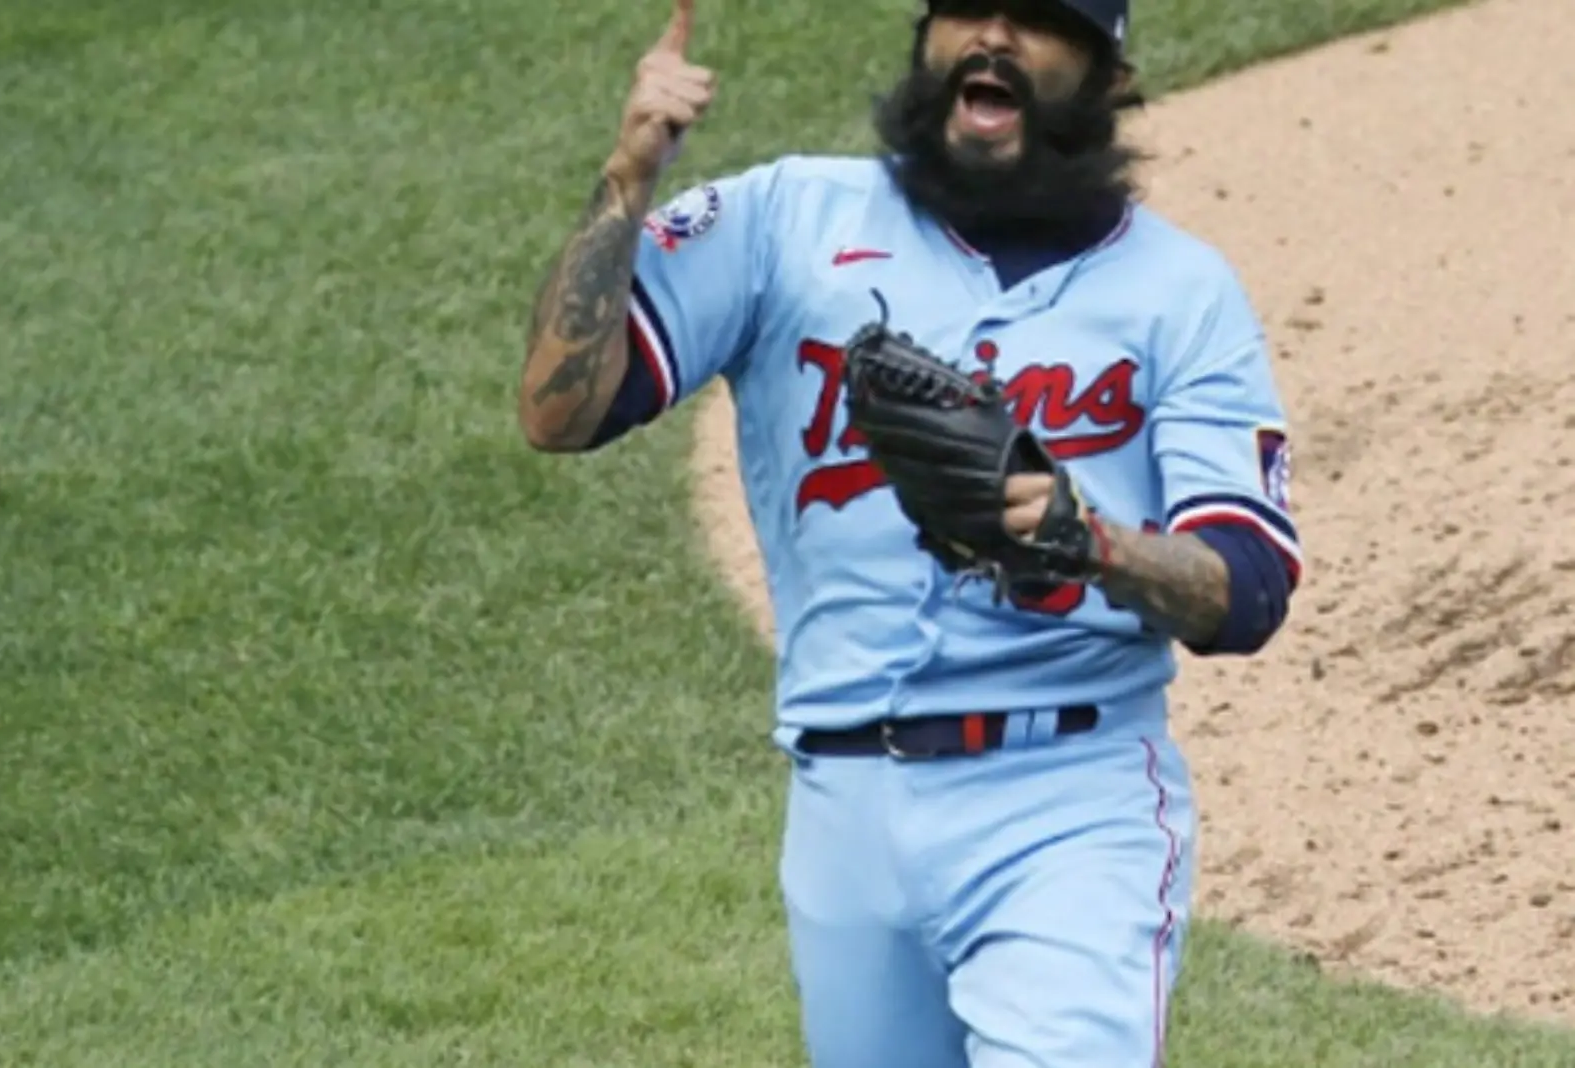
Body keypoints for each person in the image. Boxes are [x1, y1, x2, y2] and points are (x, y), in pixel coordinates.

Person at [514, 0, 1303, 1064]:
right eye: (967, 9)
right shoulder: (786, 220)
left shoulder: (1181, 292)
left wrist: (1088, 540)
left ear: (1108, 75)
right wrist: (626, 181)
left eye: (1036, 19)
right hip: (844, 809)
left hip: (1067, 803)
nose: (992, 38)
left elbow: (1247, 587)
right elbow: (558, 414)